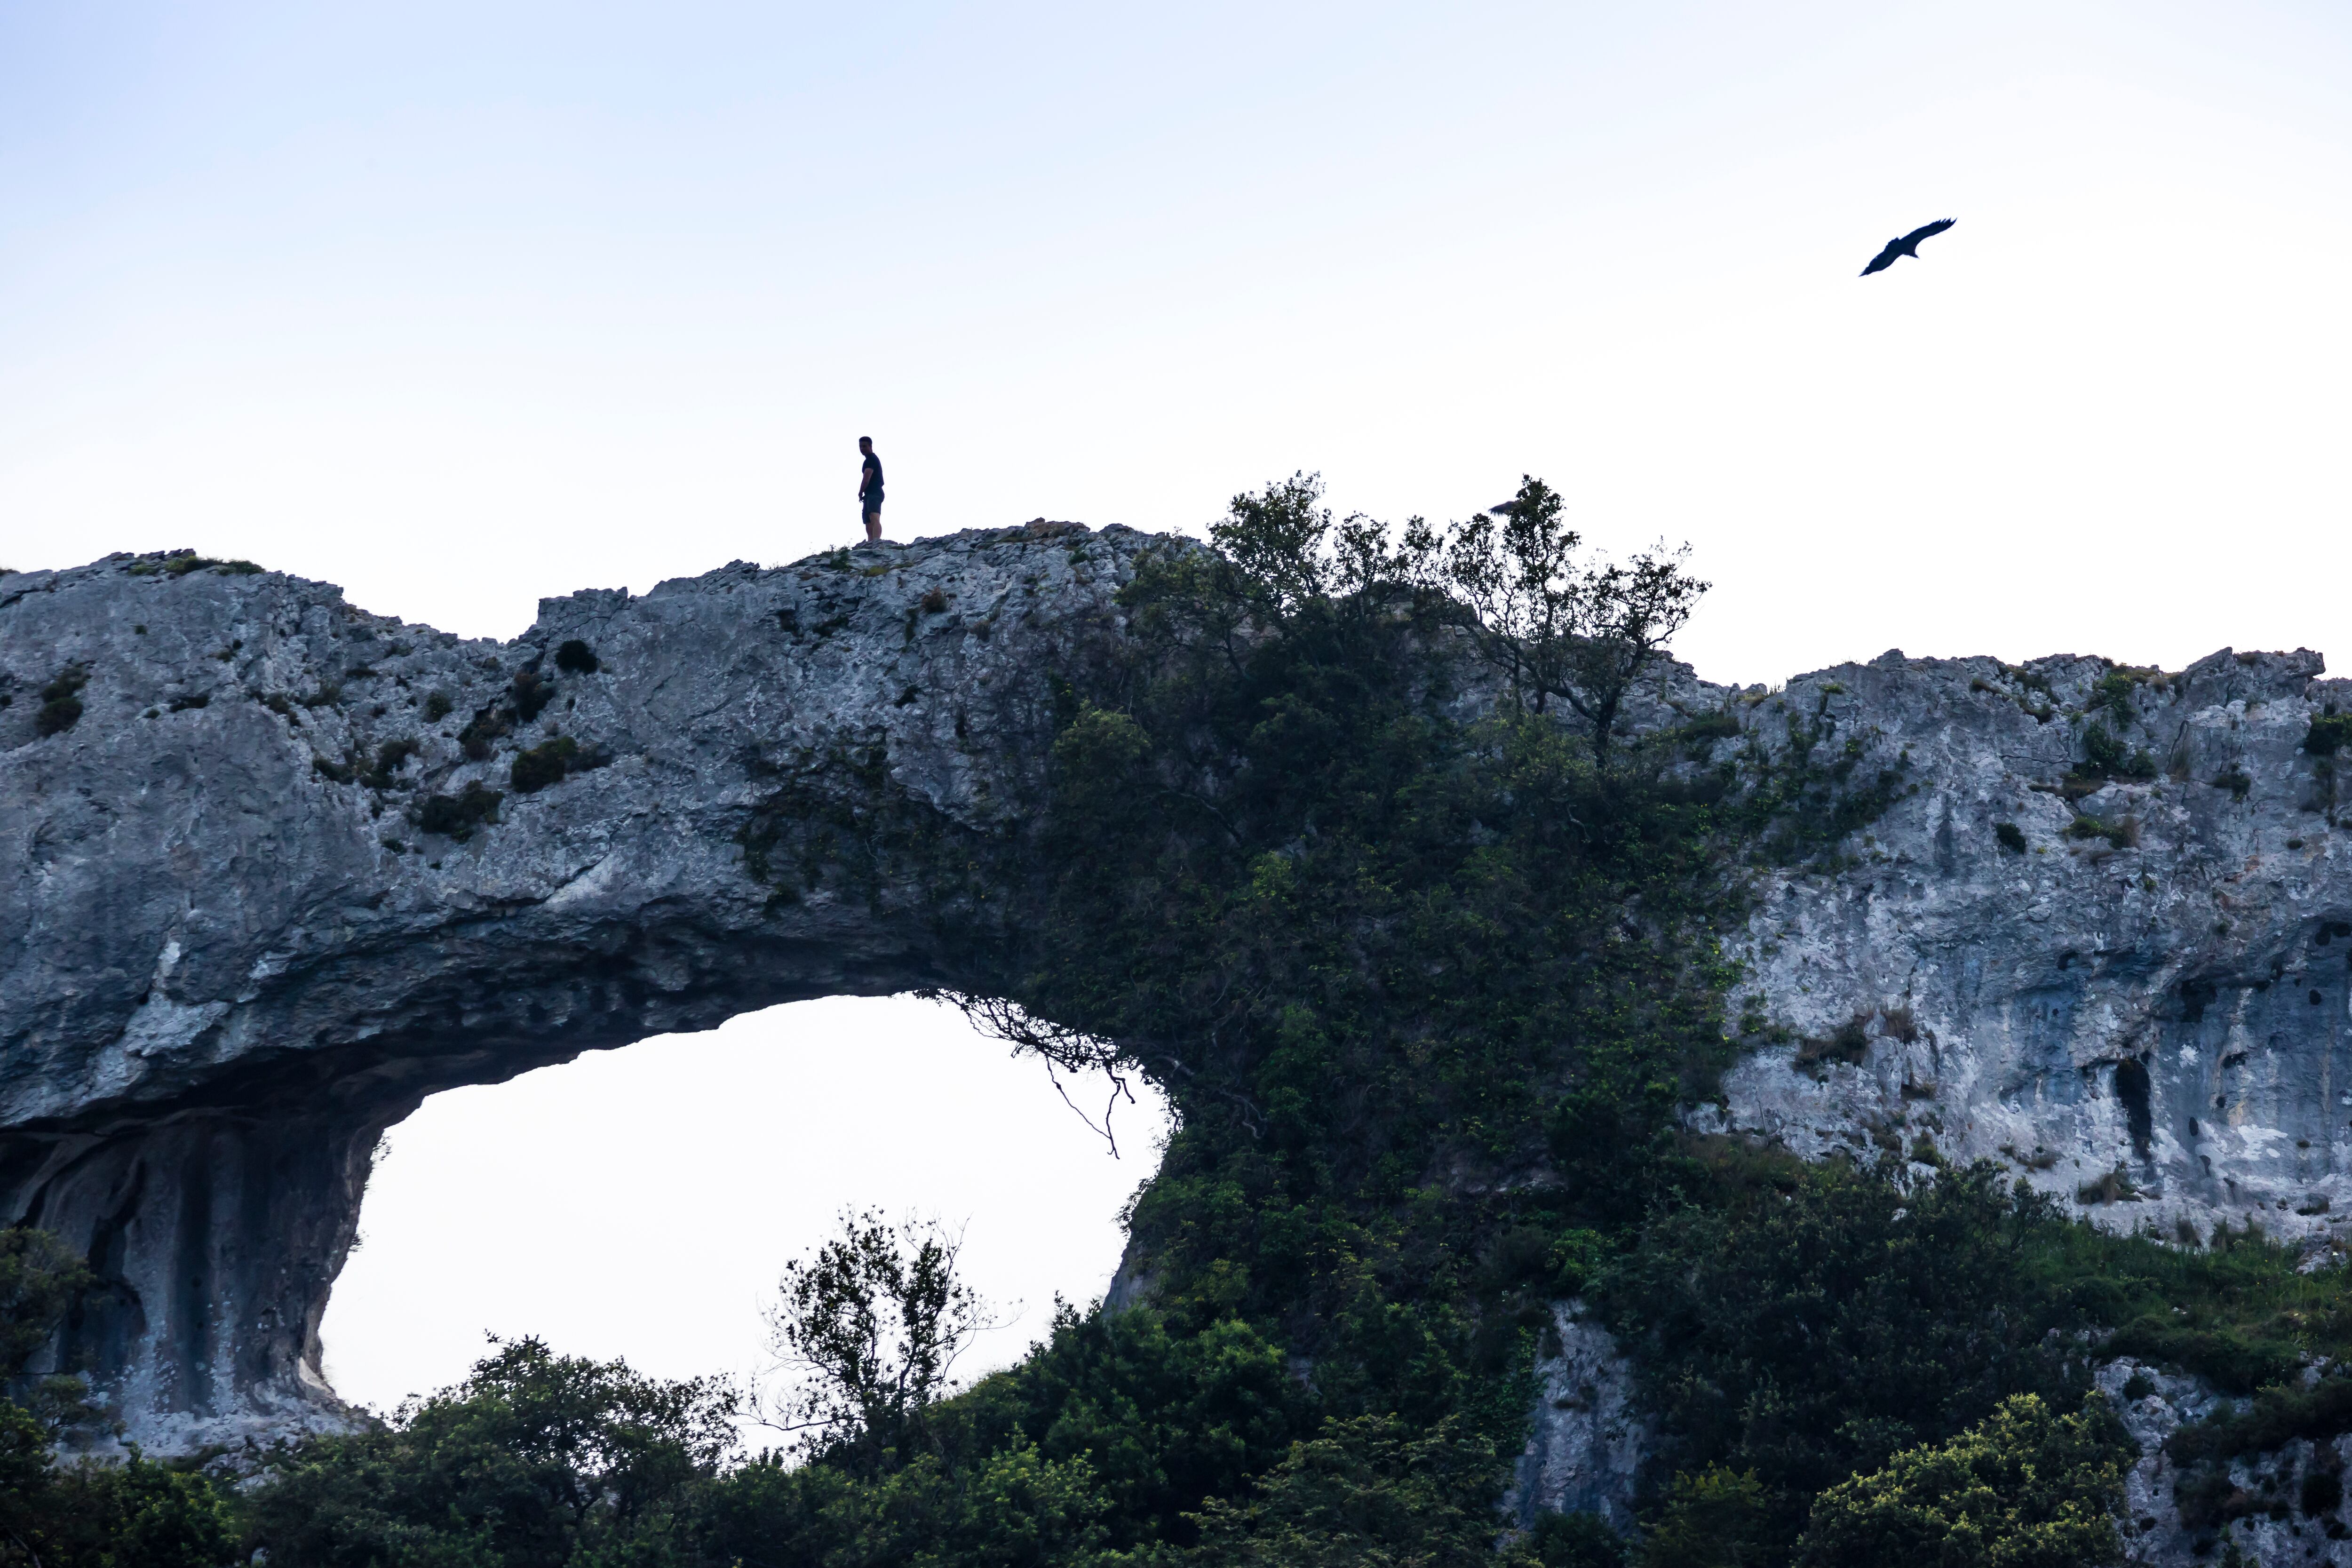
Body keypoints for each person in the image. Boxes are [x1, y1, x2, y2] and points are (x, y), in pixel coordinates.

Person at [857, 436, 884, 543]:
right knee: (868, 521)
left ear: (870, 447)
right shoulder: (869, 460)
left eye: (864, 446)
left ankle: (877, 542)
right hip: (869, 494)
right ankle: (870, 543)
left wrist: (860, 491)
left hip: (875, 492)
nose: (862, 449)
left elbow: (866, 478)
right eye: (860, 446)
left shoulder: (871, 460)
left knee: (874, 517)